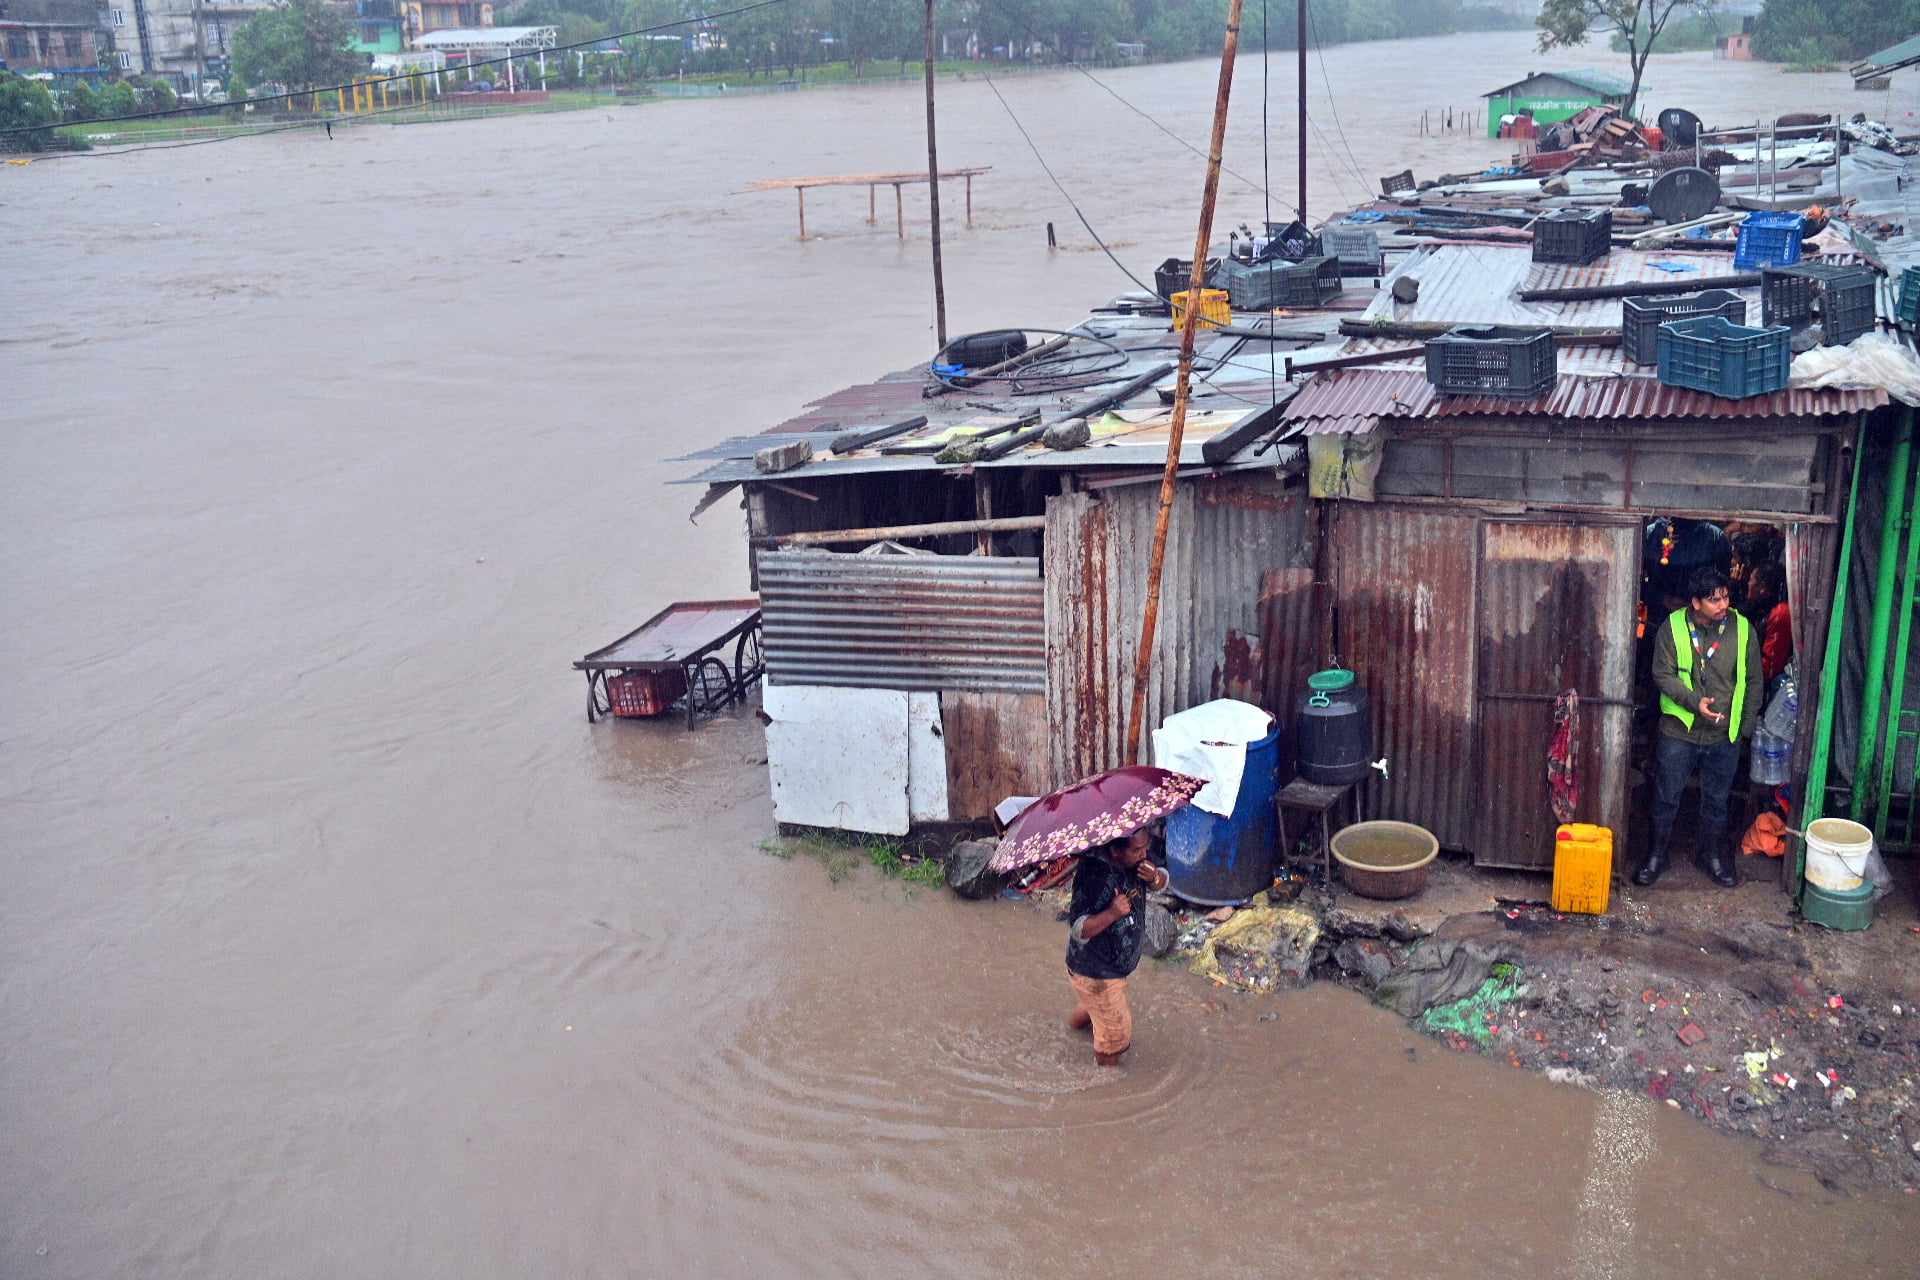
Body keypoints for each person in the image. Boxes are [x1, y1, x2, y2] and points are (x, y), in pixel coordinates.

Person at [1636, 567, 1763, 889]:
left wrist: (1744, 729)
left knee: (1717, 801)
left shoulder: (1742, 629)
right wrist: (1695, 702)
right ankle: (1657, 854)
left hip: (1724, 734)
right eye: (1713, 600)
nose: (1723, 605)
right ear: (1695, 602)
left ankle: (1711, 856)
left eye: (1725, 597)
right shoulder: (1672, 627)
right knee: (1667, 796)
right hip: (1679, 730)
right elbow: (1662, 675)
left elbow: (1753, 681)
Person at [1064, 826, 1168, 1066]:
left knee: (1095, 1007)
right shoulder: (1095, 876)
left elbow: (1161, 882)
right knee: (1116, 1037)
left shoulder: (1137, 861)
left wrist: (1155, 877)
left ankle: (1070, 1030)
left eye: (1146, 848)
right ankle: (1105, 1083)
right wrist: (1112, 913)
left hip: (1110, 966)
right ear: (1115, 851)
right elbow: (1079, 929)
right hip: (1095, 971)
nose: (1144, 855)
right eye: (1136, 850)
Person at [1746, 560, 1793, 684]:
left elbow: (1770, 669)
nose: (1748, 583)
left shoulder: (1780, 614)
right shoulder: (1760, 608)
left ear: (1762, 587)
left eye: (1751, 580)